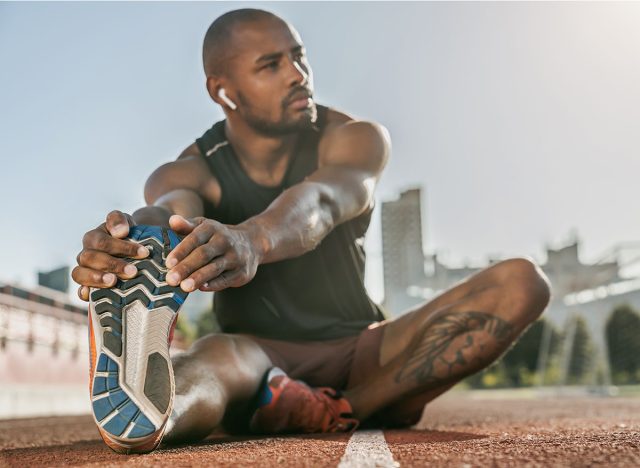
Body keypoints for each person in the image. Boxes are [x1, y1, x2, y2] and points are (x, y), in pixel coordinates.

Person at [72, 8, 552, 454]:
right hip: (256, 355)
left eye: (298, 57)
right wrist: (128, 245)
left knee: (522, 282)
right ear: (223, 92)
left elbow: (318, 203)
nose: (298, 75)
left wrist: (252, 239)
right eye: (270, 65)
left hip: (365, 348)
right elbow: (171, 211)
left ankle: (345, 408)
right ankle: (153, 415)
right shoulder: (189, 171)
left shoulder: (354, 138)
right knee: (202, 354)